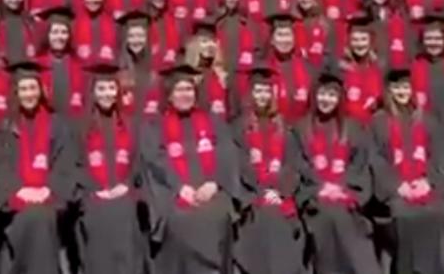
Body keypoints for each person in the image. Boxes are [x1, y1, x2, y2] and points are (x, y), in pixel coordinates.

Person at [141, 62, 236, 274]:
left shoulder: (212, 121)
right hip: (173, 194)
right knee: (181, 220)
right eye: (179, 89)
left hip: (211, 190)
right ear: (168, 94)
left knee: (218, 215)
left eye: (189, 89)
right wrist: (179, 188)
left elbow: (227, 153)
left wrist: (214, 182)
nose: (185, 95)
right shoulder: (155, 126)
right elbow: (155, 163)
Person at [0, 59, 77, 274]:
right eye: (23, 89)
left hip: (48, 198)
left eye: (33, 88)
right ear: (15, 93)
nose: (29, 94)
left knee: (42, 217)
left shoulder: (58, 125)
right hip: (16, 199)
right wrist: (20, 190)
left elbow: (65, 163)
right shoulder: (3, 128)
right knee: (32, 217)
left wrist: (48, 189)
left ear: (41, 90)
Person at [292, 63, 378, 274]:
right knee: (329, 216)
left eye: (332, 95)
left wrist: (341, 188)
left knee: (344, 217)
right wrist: (320, 188)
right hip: (315, 198)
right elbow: (297, 164)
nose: (326, 100)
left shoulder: (353, 128)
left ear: (340, 98)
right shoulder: (300, 128)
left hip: (346, 195)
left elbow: (360, 165)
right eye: (322, 94)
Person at [370, 67, 444, 274]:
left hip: (426, 187)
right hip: (396, 191)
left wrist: (429, 181)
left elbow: (440, 156)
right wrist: (397, 186)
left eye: (406, 87)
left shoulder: (428, 120)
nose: (402, 92)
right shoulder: (378, 121)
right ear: (389, 91)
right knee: (404, 215)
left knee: (436, 214)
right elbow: (375, 160)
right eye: (396, 88)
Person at [232, 66, 305, 274]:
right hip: (251, 195)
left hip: (279, 195)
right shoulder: (238, 128)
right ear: (250, 94)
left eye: (267, 91)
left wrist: (280, 191)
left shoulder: (285, 129)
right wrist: (258, 191)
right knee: (262, 217)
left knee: (277, 217)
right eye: (258, 91)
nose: (262, 96)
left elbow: (293, 164)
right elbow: (237, 164)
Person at [75, 61, 146, 274]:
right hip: (91, 195)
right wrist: (95, 190)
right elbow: (75, 165)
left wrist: (125, 186)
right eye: (101, 89)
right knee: (98, 217)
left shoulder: (131, 124)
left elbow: (138, 163)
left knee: (125, 212)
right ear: (93, 92)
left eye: (112, 88)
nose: (107, 94)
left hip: (125, 193)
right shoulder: (79, 126)